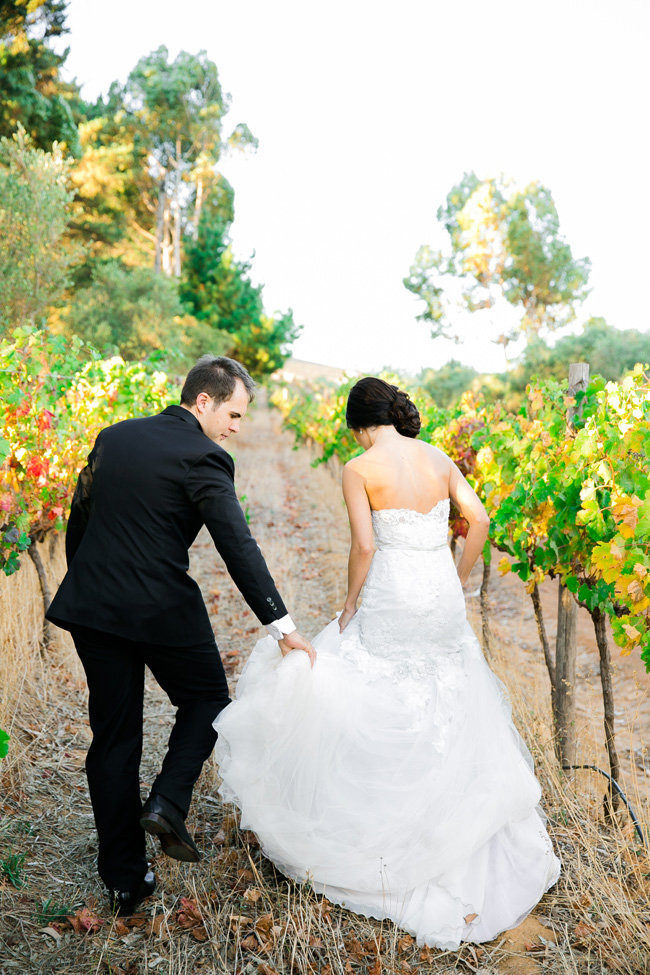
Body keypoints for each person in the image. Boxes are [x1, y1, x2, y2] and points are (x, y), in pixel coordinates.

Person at [213, 376, 560, 950]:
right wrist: (457, 578)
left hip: (394, 591)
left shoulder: (359, 468)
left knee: (374, 683)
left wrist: (351, 602)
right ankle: (454, 823)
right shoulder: (439, 457)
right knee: (448, 691)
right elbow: (480, 522)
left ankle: (380, 826)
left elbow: (366, 547)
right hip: (439, 594)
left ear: (357, 423)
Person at [46, 355, 314, 915]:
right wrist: (282, 627)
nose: (236, 429)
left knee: (114, 738)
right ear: (204, 401)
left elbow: (81, 517)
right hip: (161, 608)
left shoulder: (114, 437)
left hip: (95, 607)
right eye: (234, 415)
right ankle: (168, 800)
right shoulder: (205, 456)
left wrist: (92, 584)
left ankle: (124, 879)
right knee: (208, 699)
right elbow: (237, 545)